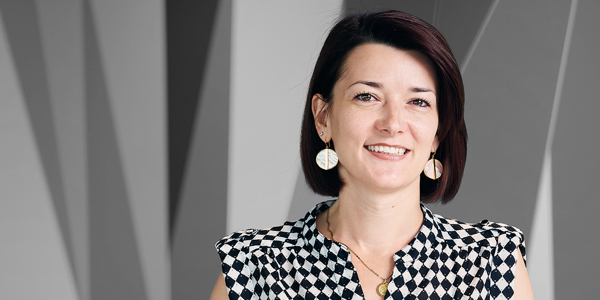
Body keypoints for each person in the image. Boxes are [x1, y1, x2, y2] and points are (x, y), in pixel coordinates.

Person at [211, 10, 534, 300]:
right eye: (367, 96)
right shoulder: (253, 265)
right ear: (323, 118)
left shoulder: (491, 259)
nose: (393, 124)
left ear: (438, 133)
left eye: (418, 102)